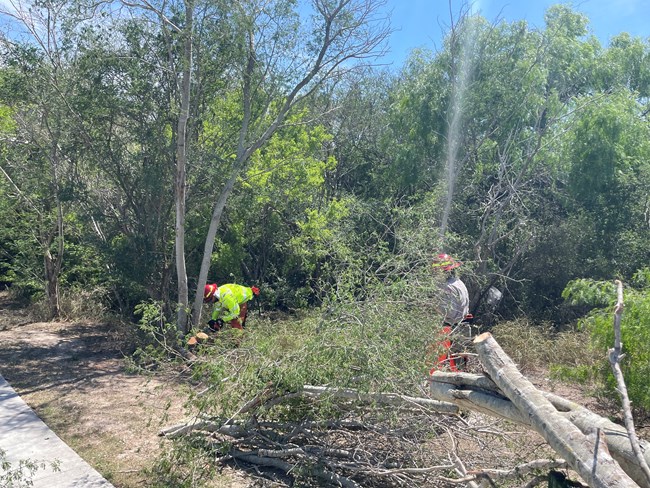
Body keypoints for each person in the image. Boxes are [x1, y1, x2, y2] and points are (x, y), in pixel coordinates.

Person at [430, 253, 470, 372]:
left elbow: (449, 313)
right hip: (462, 326)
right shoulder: (458, 282)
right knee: (460, 368)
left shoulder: (447, 287)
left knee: (446, 369)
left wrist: (433, 307)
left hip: (451, 329)